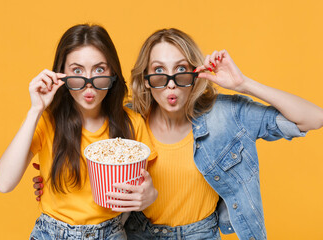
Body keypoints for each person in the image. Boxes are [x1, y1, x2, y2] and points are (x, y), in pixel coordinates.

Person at [33, 28, 323, 240]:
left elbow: (314, 119)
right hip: (137, 234)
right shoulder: (127, 122)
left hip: (201, 234)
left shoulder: (227, 115)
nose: (170, 85)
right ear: (145, 80)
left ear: (196, 74)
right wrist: (49, 179)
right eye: (158, 72)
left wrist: (243, 84)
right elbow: (88, 159)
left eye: (181, 71)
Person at [0, 24, 158, 240]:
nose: (88, 84)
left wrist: (149, 196)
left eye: (99, 70)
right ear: (61, 74)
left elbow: (143, 188)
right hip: (51, 233)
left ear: (113, 73)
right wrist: (35, 110)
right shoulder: (47, 122)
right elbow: (4, 183)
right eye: (77, 70)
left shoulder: (132, 124)